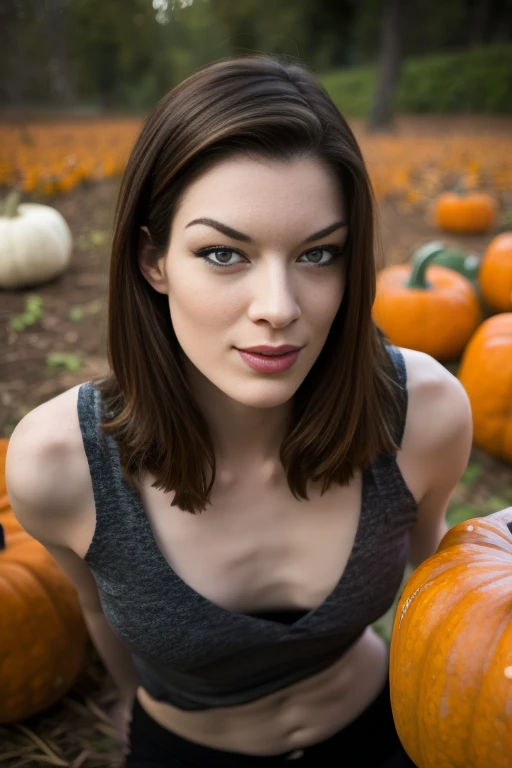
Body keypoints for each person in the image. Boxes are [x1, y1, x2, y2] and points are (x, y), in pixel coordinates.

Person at [6, 54, 473, 767]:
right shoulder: (57, 464)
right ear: (152, 260)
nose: (279, 309)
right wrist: (136, 706)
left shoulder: (425, 414)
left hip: (388, 726)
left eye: (319, 255)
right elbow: (96, 610)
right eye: (225, 254)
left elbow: (447, 588)